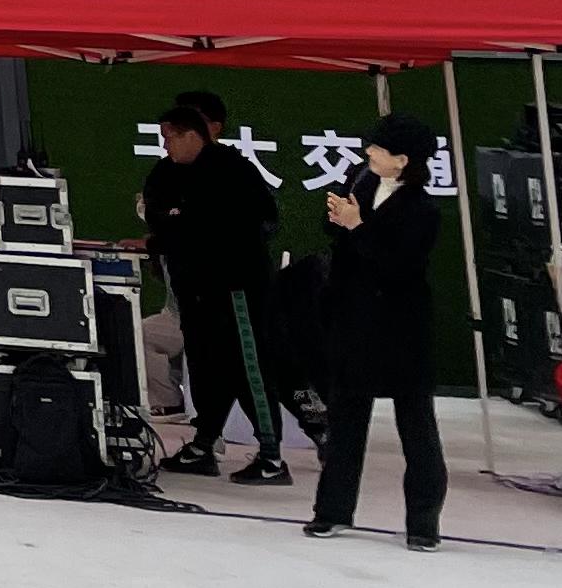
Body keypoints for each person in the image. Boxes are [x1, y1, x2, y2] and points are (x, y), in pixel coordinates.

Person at [308, 115, 448, 549]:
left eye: (379, 149)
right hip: (354, 323)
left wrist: (357, 226)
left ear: (402, 160)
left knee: (416, 425)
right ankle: (332, 511)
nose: (369, 153)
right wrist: (339, 219)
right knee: (345, 420)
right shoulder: (363, 180)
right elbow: (339, 238)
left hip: (402, 329)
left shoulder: (423, 209)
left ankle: (423, 522)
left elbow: (397, 266)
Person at [144, 95, 292, 484]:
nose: (166, 146)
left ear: (193, 135)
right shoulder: (165, 172)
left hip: (236, 289)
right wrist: (174, 228)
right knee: (205, 366)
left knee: (248, 366)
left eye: (170, 138)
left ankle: (272, 455)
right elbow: (160, 217)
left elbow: (252, 222)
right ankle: (204, 444)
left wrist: (183, 224)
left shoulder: (232, 169)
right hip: (193, 292)